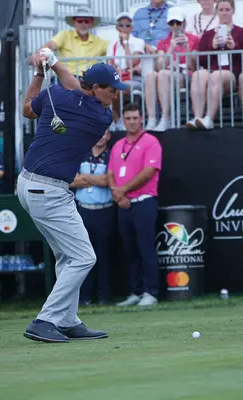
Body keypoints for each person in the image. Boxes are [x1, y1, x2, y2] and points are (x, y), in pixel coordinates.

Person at [19, 48, 126, 343]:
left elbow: (27, 107)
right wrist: (53, 62)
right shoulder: (96, 112)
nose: (115, 95)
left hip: (32, 185)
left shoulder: (61, 97)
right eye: (111, 89)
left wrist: (43, 71)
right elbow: (71, 83)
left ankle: (67, 320)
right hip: (47, 190)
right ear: (95, 88)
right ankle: (46, 319)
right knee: (83, 257)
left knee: (68, 256)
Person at [109, 103, 162, 308]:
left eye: (135, 118)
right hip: (123, 204)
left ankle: (151, 292)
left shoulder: (151, 142)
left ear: (142, 119)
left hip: (144, 202)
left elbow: (149, 171)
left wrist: (123, 190)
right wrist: (116, 192)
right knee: (129, 249)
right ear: (123, 120)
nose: (131, 121)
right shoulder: (118, 145)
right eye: (128, 118)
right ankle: (135, 291)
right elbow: (111, 173)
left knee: (145, 248)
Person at [187, 0, 243, 130]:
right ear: (217, 12)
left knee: (217, 75)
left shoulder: (242, 32)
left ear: (233, 11)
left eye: (227, 10)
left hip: (232, 74)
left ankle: (209, 119)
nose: (224, 13)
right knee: (198, 75)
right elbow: (202, 61)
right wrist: (212, 47)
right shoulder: (208, 35)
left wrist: (234, 47)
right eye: (221, 10)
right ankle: (197, 117)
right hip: (211, 70)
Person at [71, 130, 114, 306]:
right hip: (83, 210)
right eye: (99, 133)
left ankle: (104, 297)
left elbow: (107, 181)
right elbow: (71, 181)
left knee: (104, 256)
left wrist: (85, 177)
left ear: (109, 136)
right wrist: (96, 179)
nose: (101, 136)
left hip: (104, 210)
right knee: (82, 256)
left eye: (104, 134)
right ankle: (84, 297)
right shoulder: (81, 153)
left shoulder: (112, 155)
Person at [145, 8, 200, 131]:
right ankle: (152, 119)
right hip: (168, 74)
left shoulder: (194, 39)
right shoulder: (163, 42)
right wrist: (170, 49)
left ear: (184, 23)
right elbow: (159, 66)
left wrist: (186, 48)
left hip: (186, 75)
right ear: (168, 25)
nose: (175, 26)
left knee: (163, 74)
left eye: (178, 23)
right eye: (172, 23)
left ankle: (166, 118)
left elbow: (194, 67)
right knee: (151, 75)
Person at [32, 6, 108, 79]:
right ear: (74, 22)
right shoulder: (65, 35)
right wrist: (40, 54)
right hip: (64, 79)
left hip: (87, 82)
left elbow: (114, 47)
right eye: (80, 21)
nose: (83, 24)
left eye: (87, 21)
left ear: (92, 23)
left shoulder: (99, 41)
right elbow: (51, 45)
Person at [107, 12, 146, 132]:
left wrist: (126, 44)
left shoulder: (138, 42)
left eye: (127, 25)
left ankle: (119, 121)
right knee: (107, 89)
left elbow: (132, 62)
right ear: (117, 28)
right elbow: (110, 65)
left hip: (135, 79)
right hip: (118, 79)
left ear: (132, 28)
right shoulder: (112, 45)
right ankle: (116, 121)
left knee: (115, 88)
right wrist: (116, 71)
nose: (124, 28)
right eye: (121, 25)